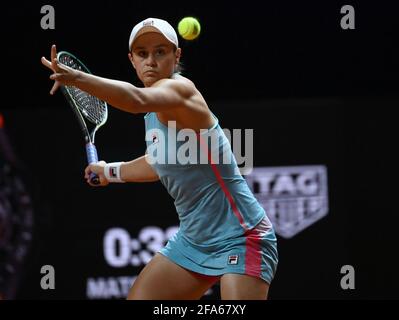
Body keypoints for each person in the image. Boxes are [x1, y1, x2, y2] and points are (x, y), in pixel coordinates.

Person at [41, 17, 278, 300]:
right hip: (193, 240)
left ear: (176, 56)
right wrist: (109, 172)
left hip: (241, 237)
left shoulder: (180, 91)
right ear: (132, 60)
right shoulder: (153, 112)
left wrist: (77, 79)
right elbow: (158, 162)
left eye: (160, 52)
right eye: (142, 54)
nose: (150, 61)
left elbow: (135, 100)